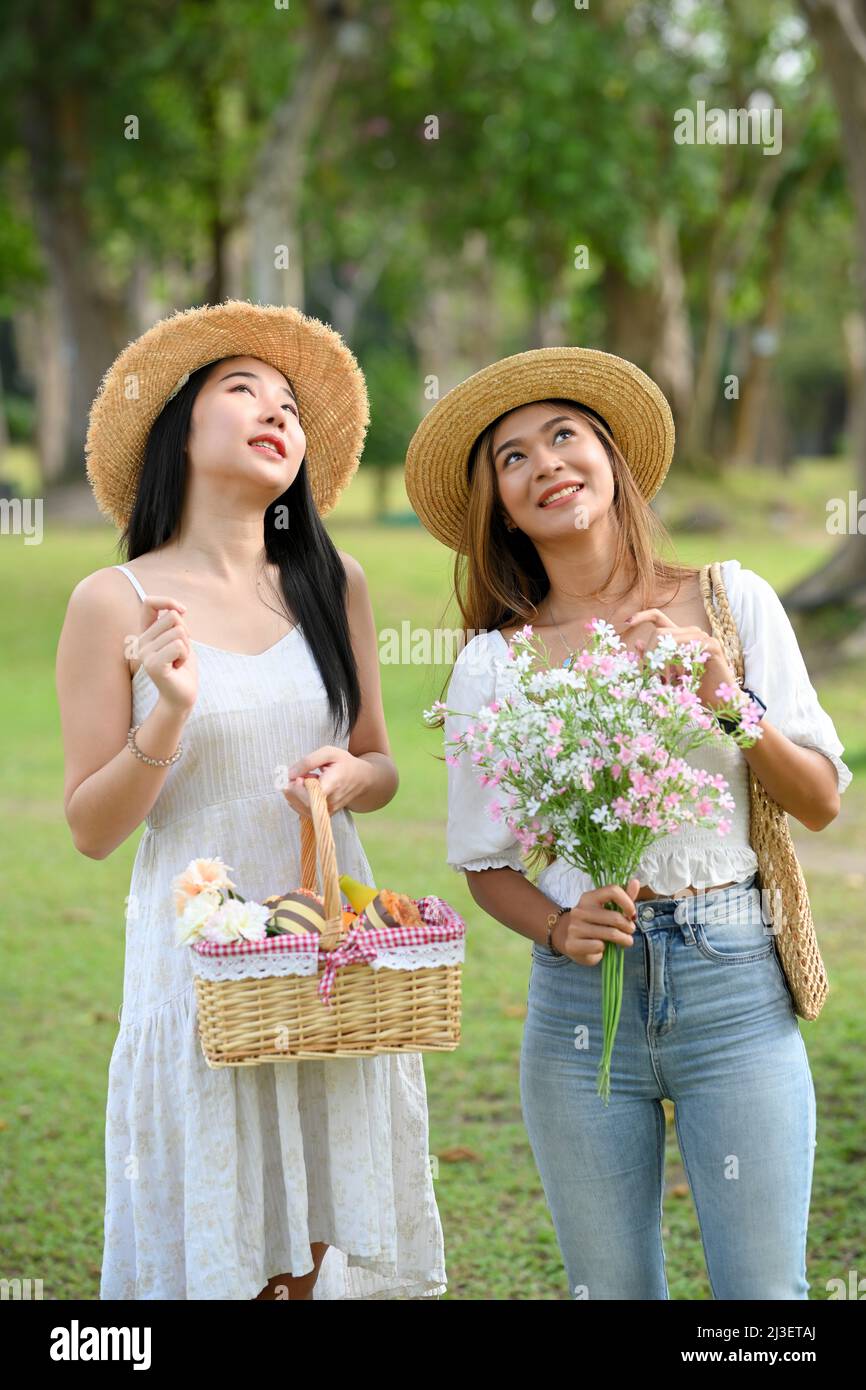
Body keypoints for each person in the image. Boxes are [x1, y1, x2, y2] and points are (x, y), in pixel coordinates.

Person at [405, 345, 852, 1300]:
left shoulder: (732, 601)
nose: (545, 464)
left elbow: (819, 798)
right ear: (501, 506)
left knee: (764, 1304)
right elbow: (486, 865)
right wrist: (559, 925)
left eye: (562, 435)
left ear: (610, 458)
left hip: (733, 983)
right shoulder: (495, 666)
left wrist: (727, 699)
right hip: (580, 1015)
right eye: (512, 459)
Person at [57, 299, 446, 1301]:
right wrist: (169, 714)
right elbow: (93, 828)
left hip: (328, 951)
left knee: (319, 1245)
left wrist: (345, 777)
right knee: (230, 1250)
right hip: (199, 970)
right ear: (177, 428)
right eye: (242, 392)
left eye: (289, 405)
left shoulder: (331, 580)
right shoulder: (114, 600)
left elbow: (380, 763)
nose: (276, 412)